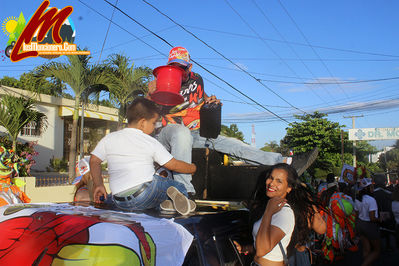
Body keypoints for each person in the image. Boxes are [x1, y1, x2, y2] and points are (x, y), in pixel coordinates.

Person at [148, 46, 319, 194]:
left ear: (189, 66)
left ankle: (285, 162)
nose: (179, 71)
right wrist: (150, 94)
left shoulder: (197, 79)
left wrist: (209, 101)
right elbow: (145, 113)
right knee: (181, 133)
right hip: (168, 134)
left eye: (182, 67)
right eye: (174, 67)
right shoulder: (161, 82)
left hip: (197, 133)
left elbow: (201, 97)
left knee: (233, 144)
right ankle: (183, 190)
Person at [90, 97, 196, 215]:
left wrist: (98, 184)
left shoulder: (109, 138)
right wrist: (192, 168)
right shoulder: (149, 141)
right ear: (142, 123)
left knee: (150, 191)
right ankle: (184, 200)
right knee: (176, 185)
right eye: (153, 123)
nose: (155, 127)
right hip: (145, 193)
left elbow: (94, 161)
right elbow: (173, 165)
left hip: (119, 201)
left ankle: (167, 204)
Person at [233, 163, 322, 265]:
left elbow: (262, 250)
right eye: (271, 178)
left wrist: (268, 213)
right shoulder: (269, 207)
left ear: (289, 188)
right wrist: (245, 248)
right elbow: (265, 247)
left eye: (279, 181)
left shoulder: (284, 213)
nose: (271, 183)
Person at [320, 177, 357, 262]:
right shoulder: (339, 197)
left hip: (325, 223)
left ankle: (330, 258)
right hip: (337, 225)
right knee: (338, 244)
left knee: (328, 244)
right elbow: (347, 210)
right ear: (336, 187)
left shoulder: (323, 196)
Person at [354, 178, 381, 266]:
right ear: (367, 188)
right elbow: (372, 218)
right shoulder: (371, 200)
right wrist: (380, 219)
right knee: (376, 251)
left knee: (366, 249)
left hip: (360, 224)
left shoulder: (357, 199)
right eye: (371, 187)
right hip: (369, 226)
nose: (373, 188)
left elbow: (356, 215)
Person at [373, 173, 395, 252]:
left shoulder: (372, 193)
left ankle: (376, 246)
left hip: (375, 213)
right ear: (384, 182)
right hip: (386, 213)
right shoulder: (389, 193)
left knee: (377, 229)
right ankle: (388, 245)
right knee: (387, 229)